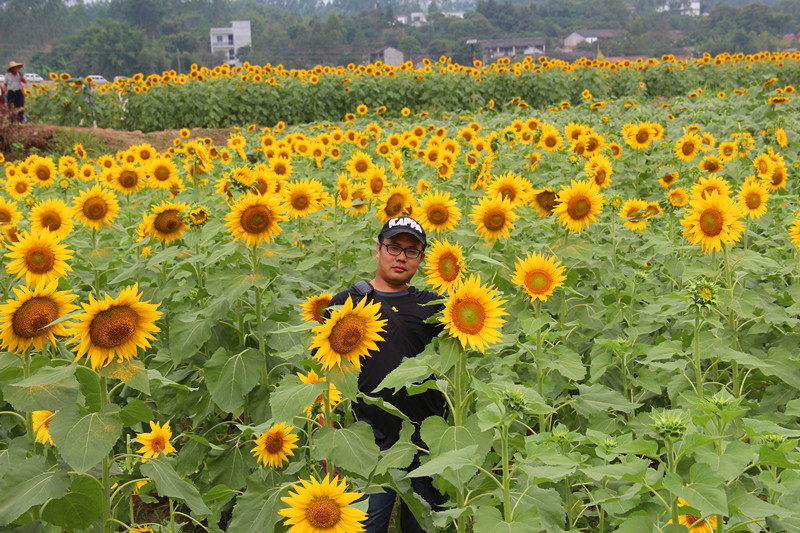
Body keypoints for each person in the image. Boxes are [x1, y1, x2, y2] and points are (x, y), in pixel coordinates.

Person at [326, 216, 446, 533]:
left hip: (424, 444)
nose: (401, 256)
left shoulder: (434, 307)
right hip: (368, 443)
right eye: (394, 246)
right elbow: (329, 379)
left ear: (421, 259)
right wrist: (332, 444)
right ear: (379, 249)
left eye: (412, 250)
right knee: (366, 526)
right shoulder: (345, 303)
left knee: (422, 527)